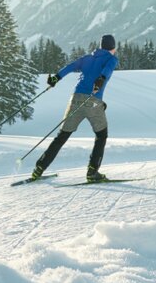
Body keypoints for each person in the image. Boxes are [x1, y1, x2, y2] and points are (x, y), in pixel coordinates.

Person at [31, 34, 118, 183]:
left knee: (62, 136)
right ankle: (92, 172)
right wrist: (101, 79)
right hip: (93, 100)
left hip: (75, 99)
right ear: (112, 48)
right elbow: (107, 70)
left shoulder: (87, 58)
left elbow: (69, 67)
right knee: (101, 135)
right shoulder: (112, 59)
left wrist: (55, 79)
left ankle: (39, 168)